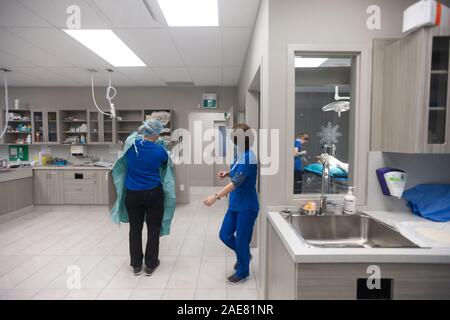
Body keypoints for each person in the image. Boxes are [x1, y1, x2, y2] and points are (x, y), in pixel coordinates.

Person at [203, 123, 259, 285]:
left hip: (247, 207)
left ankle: (243, 272)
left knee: (241, 240)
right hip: (235, 204)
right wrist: (227, 173)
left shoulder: (250, 157)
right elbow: (237, 173)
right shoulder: (240, 154)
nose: (232, 138)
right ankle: (245, 255)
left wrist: (216, 196)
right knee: (225, 235)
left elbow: (238, 182)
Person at [125, 119, 168, 276]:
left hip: (132, 194)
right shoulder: (159, 150)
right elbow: (165, 163)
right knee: (153, 229)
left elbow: (132, 137)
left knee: (135, 229)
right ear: (156, 133)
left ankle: (136, 265)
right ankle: (150, 265)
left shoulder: (130, 146)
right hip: (152, 194)